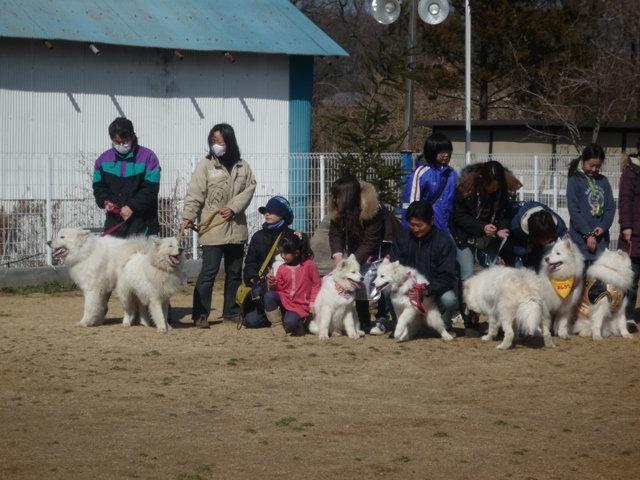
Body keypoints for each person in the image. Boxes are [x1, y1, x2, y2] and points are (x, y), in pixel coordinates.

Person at [182, 123, 256, 328]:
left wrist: (233, 207)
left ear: (229, 142)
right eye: (213, 141)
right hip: (213, 229)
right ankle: (200, 315)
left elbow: (249, 190)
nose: (217, 145)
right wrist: (188, 216)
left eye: (220, 141)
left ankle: (231, 312)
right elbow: (195, 193)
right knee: (208, 272)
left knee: (234, 274)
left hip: (237, 230)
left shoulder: (244, 166)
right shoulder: (205, 166)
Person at [449, 160, 522, 334]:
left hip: (491, 236)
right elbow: (458, 217)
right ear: (482, 179)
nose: (494, 189)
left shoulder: (504, 190)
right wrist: (481, 227)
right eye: (491, 186)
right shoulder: (465, 189)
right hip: (465, 235)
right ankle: (470, 318)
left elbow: (505, 213)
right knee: (467, 275)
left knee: (492, 273)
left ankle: (496, 320)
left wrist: (503, 228)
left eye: (497, 186)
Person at [328, 176, 402, 333]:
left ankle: (382, 319)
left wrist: (353, 261)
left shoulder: (372, 208)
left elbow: (371, 240)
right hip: (359, 242)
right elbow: (335, 233)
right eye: (334, 194)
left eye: (338, 195)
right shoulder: (337, 208)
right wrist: (339, 256)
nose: (334, 199)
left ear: (348, 196)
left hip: (384, 244)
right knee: (358, 277)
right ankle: (363, 319)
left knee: (380, 277)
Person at [390, 201, 458, 335]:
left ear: (431, 220)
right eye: (412, 224)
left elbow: (448, 277)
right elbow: (394, 268)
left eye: (419, 225)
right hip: (406, 289)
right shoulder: (402, 238)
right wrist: (406, 287)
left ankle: (444, 326)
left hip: (433, 292)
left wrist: (426, 290)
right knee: (388, 290)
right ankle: (401, 326)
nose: (415, 229)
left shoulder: (444, 242)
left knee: (449, 299)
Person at [93, 117, 161, 238]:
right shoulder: (103, 160)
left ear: (133, 136)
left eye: (124, 141)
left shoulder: (149, 157)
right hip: (115, 226)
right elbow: (99, 186)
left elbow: (150, 189)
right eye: (117, 142)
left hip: (144, 225)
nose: (121, 145)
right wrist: (105, 201)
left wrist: (132, 207)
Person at [242, 196, 294, 328]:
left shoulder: (293, 237)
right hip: (262, 285)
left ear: (283, 214)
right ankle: (275, 316)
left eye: (272, 211)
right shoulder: (257, 236)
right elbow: (250, 262)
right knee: (250, 321)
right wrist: (253, 277)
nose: (267, 214)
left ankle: (284, 314)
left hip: (286, 286)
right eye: (266, 211)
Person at [265, 231, 322, 337]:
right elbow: (278, 289)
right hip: (284, 299)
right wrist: (272, 282)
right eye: (281, 252)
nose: (282, 256)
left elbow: (316, 284)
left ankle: (298, 324)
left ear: (296, 253)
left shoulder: (308, 265)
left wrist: (312, 302)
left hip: (300, 305)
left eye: (285, 253)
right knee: (269, 295)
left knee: (291, 321)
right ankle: (277, 325)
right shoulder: (282, 268)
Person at [566, 143, 616, 264]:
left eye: (598, 166)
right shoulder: (575, 180)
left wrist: (603, 226)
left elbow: (610, 207)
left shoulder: (603, 181)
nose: (594, 169)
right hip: (580, 241)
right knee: (580, 279)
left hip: (600, 241)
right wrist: (588, 233)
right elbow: (574, 211)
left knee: (598, 279)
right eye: (591, 165)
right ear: (583, 161)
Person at [402, 132, 458, 234]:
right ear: (431, 151)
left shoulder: (452, 174)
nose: (445, 154)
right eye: (441, 151)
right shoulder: (420, 173)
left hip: (449, 230)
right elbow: (411, 205)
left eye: (447, 151)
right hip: (428, 230)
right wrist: (409, 232)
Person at [617, 139, 640, 332]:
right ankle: (628, 316)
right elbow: (625, 200)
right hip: (635, 234)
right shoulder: (631, 172)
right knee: (632, 278)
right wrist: (626, 226)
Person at [508, 201, 567, 270]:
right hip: (519, 246)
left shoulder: (559, 225)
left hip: (535, 246)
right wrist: (522, 249)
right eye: (542, 239)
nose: (545, 242)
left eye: (548, 238)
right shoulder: (515, 227)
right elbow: (504, 243)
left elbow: (567, 240)